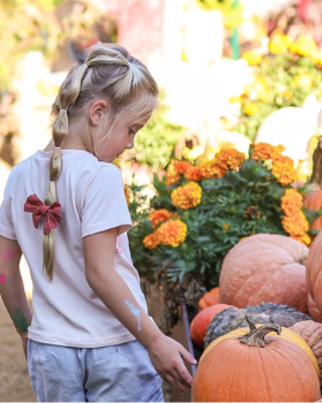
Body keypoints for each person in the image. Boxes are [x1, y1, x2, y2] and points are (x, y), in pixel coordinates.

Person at [0, 43, 196, 402]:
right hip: (113, 352)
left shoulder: (19, 177)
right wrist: (155, 339)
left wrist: (27, 332)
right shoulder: (100, 176)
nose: (132, 144)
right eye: (131, 130)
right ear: (98, 112)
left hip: (51, 355)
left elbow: (4, 268)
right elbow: (100, 272)